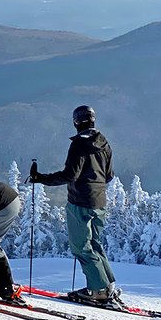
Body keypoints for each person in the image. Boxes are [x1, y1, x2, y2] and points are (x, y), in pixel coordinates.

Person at [30, 105, 116, 303]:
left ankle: (98, 291)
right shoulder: (104, 143)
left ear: (76, 122)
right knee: (95, 243)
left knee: (81, 247)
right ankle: (107, 284)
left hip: (80, 202)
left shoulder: (79, 144)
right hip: (100, 202)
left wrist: (40, 178)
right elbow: (109, 176)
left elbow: (70, 175)